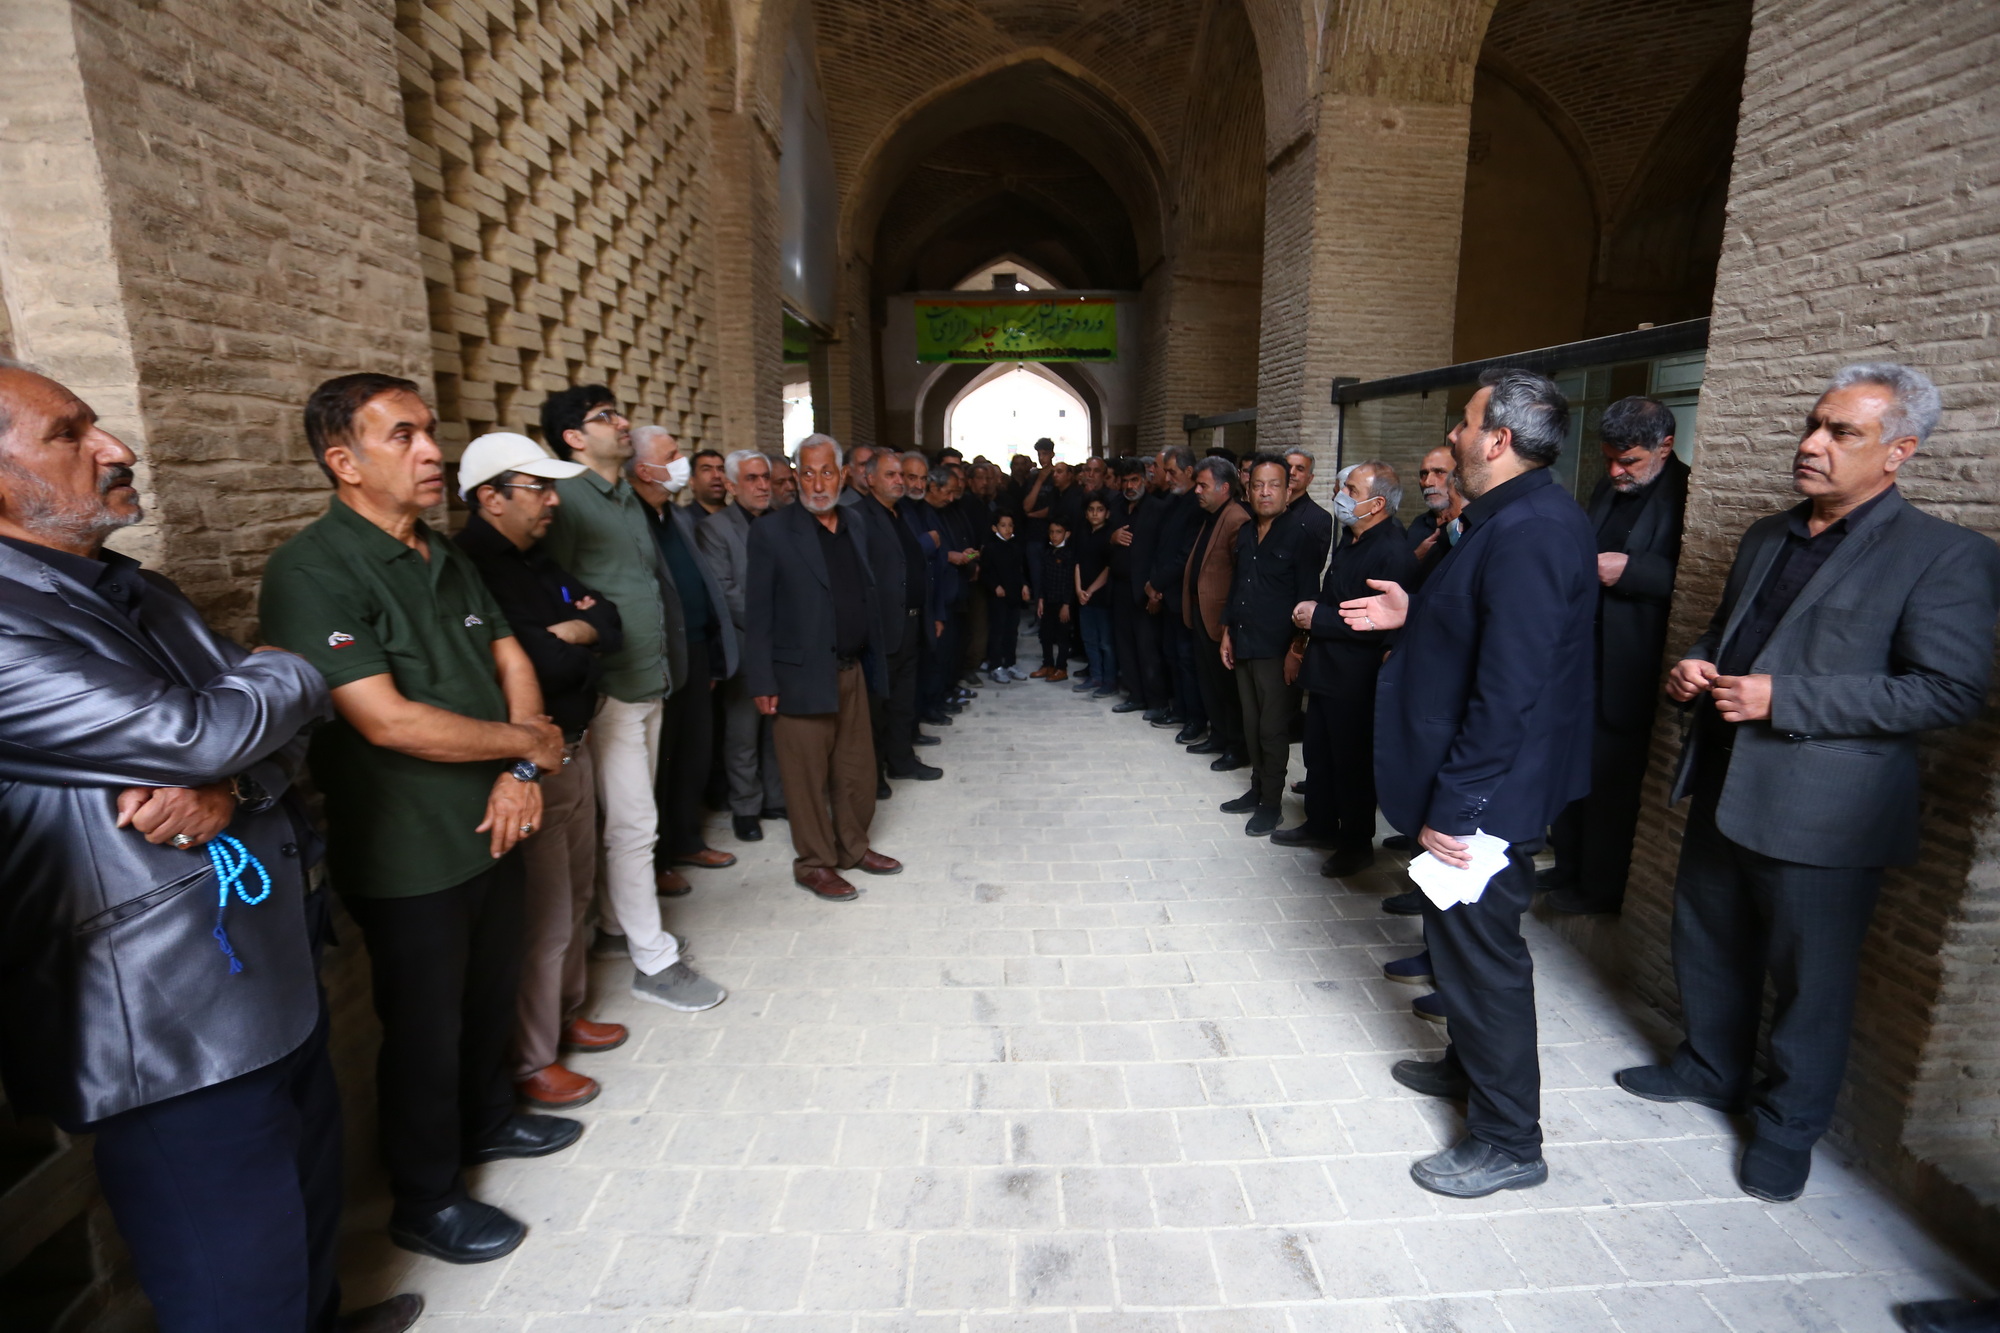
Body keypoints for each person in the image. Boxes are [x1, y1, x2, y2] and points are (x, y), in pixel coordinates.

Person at [0, 363, 418, 1333]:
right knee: (235, 1278)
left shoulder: (132, 588)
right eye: (71, 434)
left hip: (266, 975)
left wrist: (233, 765)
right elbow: (218, 722)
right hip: (162, 1016)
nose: (116, 449)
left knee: (303, 1220)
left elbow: (236, 736)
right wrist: (275, 686)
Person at [1618, 362, 2000, 1203]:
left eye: (1841, 433)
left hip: (1827, 812)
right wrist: (1696, 664)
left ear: (1898, 452)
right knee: (1709, 941)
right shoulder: (1767, 535)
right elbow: (1729, 631)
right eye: (1814, 424)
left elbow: (1948, 690)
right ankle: (1710, 1067)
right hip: (1723, 779)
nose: (1810, 444)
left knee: (1811, 982)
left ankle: (1787, 1128)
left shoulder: (1947, 557)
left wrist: (1782, 697)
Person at [261, 374, 577, 1266]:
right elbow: (386, 719)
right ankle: (426, 1199)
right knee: (425, 1027)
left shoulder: (443, 553)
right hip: (409, 847)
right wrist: (524, 742)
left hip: (499, 820)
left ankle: (489, 1122)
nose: (431, 451)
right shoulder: (311, 570)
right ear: (343, 461)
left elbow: (509, 651)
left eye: (427, 433)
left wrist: (521, 763)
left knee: (487, 994)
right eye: (403, 436)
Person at [1340, 368, 1596, 1199]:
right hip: (1480, 786)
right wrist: (1414, 616)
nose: (1453, 434)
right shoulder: (1507, 519)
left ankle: (1509, 1140)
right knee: (1459, 944)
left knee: (1485, 961)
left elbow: (1510, 688)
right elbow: (1491, 632)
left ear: (1496, 441)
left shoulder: (1534, 530)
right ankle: (1465, 1066)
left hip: (1487, 798)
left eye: (1465, 422)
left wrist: (1459, 805)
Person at [452, 433, 629, 1112]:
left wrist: (578, 631)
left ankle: (566, 1014)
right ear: (490, 498)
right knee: (546, 917)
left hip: (574, 749)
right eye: (539, 489)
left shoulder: (539, 560)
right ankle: (533, 1057)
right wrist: (573, 638)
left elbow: (608, 623)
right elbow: (542, 665)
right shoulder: (477, 566)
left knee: (576, 896)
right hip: (531, 762)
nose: (553, 501)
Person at [536, 387, 725, 1012]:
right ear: (572, 437)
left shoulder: (623, 498)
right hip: (611, 688)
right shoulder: (566, 500)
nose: (622, 424)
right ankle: (654, 957)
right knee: (636, 825)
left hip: (651, 679)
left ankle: (619, 925)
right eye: (604, 418)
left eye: (618, 413)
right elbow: (552, 589)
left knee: (628, 822)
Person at [1541, 397, 1690, 914]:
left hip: (1628, 667)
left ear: (1665, 446)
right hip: (1579, 659)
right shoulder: (1608, 485)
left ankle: (1598, 890)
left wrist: (1629, 572)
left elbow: (1693, 581)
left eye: (1627, 461)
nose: (1614, 471)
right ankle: (1566, 868)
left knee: (1609, 785)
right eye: (1609, 458)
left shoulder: (1689, 491)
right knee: (1567, 770)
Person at [745, 435, 904, 901]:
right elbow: (758, 614)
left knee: (856, 769)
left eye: (827, 472)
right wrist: (762, 679)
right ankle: (814, 862)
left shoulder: (854, 521)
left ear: (843, 475)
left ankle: (853, 847)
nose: (817, 482)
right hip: (797, 677)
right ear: (795, 475)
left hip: (852, 669)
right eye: (808, 472)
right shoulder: (772, 532)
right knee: (806, 777)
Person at [1279, 461, 1418, 875]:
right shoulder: (1353, 540)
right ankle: (1320, 824)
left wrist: (1315, 618)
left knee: (1352, 767)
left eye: (1351, 490)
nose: (1341, 494)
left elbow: (1375, 624)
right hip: (1327, 672)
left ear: (1376, 504)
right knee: (1319, 755)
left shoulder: (1391, 552)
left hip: (1356, 681)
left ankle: (1356, 845)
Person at [628, 426, 740, 876]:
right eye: (672, 455)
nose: (682, 462)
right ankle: (656, 861)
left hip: (694, 650)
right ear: (644, 470)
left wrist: (713, 652)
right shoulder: (631, 519)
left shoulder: (674, 517)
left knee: (694, 752)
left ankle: (688, 839)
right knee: (662, 760)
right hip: (658, 658)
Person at [1221, 452, 1330, 836]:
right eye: (1257, 485)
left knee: (1272, 729)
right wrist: (1226, 632)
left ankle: (1272, 804)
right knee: (1251, 725)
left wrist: (1296, 651)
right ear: (1247, 489)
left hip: (1277, 649)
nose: (1265, 492)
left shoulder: (1300, 536)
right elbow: (1238, 587)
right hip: (1244, 640)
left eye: (1274, 485)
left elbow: (1307, 599)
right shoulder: (1248, 531)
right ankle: (1256, 790)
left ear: (1289, 491)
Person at [697, 448, 787, 840]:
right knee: (742, 733)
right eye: (752, 479)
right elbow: (725, 591)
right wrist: (775, 619)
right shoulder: (716, 529)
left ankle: (774, 798)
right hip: (746, 644)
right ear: (732, 486)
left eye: (765, 477)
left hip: (784, 645)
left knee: (775, 728)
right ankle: (745, 808)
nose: (762, 485)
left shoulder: (782, 524)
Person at [849, 447, 941, 783]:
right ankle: (874, 775)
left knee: (904, 701)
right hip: (882, 628)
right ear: (869, 478)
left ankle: (902, 762)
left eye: (901, 474)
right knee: (878, 706)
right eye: (891, 474)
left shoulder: (903, 513)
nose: (899, 480)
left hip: (911, 623)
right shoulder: (859, 516)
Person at [1183, 455, 1250, 771]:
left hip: (1220, 619)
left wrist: (1229, 623)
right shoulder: (1210, 516)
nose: (1197, 490)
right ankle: (1218, 735)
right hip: (1201, 614)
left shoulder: (1236, 518)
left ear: (1224, 487)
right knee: (1208, 683)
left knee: (1227, 688)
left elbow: (1240, 576)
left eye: (1202, 485)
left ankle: (1237, 748)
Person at [1150, 445, 1208, 741]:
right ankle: (1180, 708)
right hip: (1169, 596)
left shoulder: (1195, 507)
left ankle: (1194, 718)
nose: (1167, 477)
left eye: (1172, 471)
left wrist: (1157, 583)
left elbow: (1185, 555)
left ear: (1188, 471)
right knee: (1174, 656)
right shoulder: (1175, 501)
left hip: (1184, 597)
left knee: (1188, 660)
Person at [1074, 494, 1118, 697]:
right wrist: (1078, 590)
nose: (1095, 513)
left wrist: (1090, 590)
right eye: (1091, 509)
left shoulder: (1110, 535)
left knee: (1106, 643)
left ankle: (1109, 680)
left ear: (1107, 513)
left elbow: (1109, 568)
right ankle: (1095, 676)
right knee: (1089, 640)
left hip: (1102, 596)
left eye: (1099, 509)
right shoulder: (1082, 532)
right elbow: (1076, 563)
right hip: (1083, 595)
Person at [983, 509, 1031, 681]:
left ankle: (1010, 663)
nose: (1008, 529)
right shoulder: (990, 547)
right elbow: (985, 572)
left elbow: (1020, 570)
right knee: (998, 632)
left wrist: (1025, 585)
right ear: (995, 528)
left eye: (1010, 525)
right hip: (998, 597)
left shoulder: (1016, 546)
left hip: (1014, 596)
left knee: (1012, 631)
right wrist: (994, 586)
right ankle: (996, 665)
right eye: (1003, 525)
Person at [1407, 444, 1468, 565]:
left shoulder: (1470, 525)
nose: (1428, 482)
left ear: (1459, 476)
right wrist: (1414, 558)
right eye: (1424, 474)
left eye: (1439, 472)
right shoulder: (1418, 523)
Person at [1036, 518, 1078, 681]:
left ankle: (1061, 668)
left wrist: (1067, 604)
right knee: (1045, 634)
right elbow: (1043, 578)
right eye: (1051, 532)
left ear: (1067, 534)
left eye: (1058, 532)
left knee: (1062, 636)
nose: (1054, 536)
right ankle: (1048, 664)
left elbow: (1070, 581)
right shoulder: (1047, 552)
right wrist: (1040, 598)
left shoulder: (1069, 554)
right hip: (1048, 600)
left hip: (1062, 602)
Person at [686, 447, 729, 519]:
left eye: (721, 470)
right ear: (692, 481)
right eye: (706, 470)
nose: (716, 475)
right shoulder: (681, 521)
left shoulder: (741, 518)